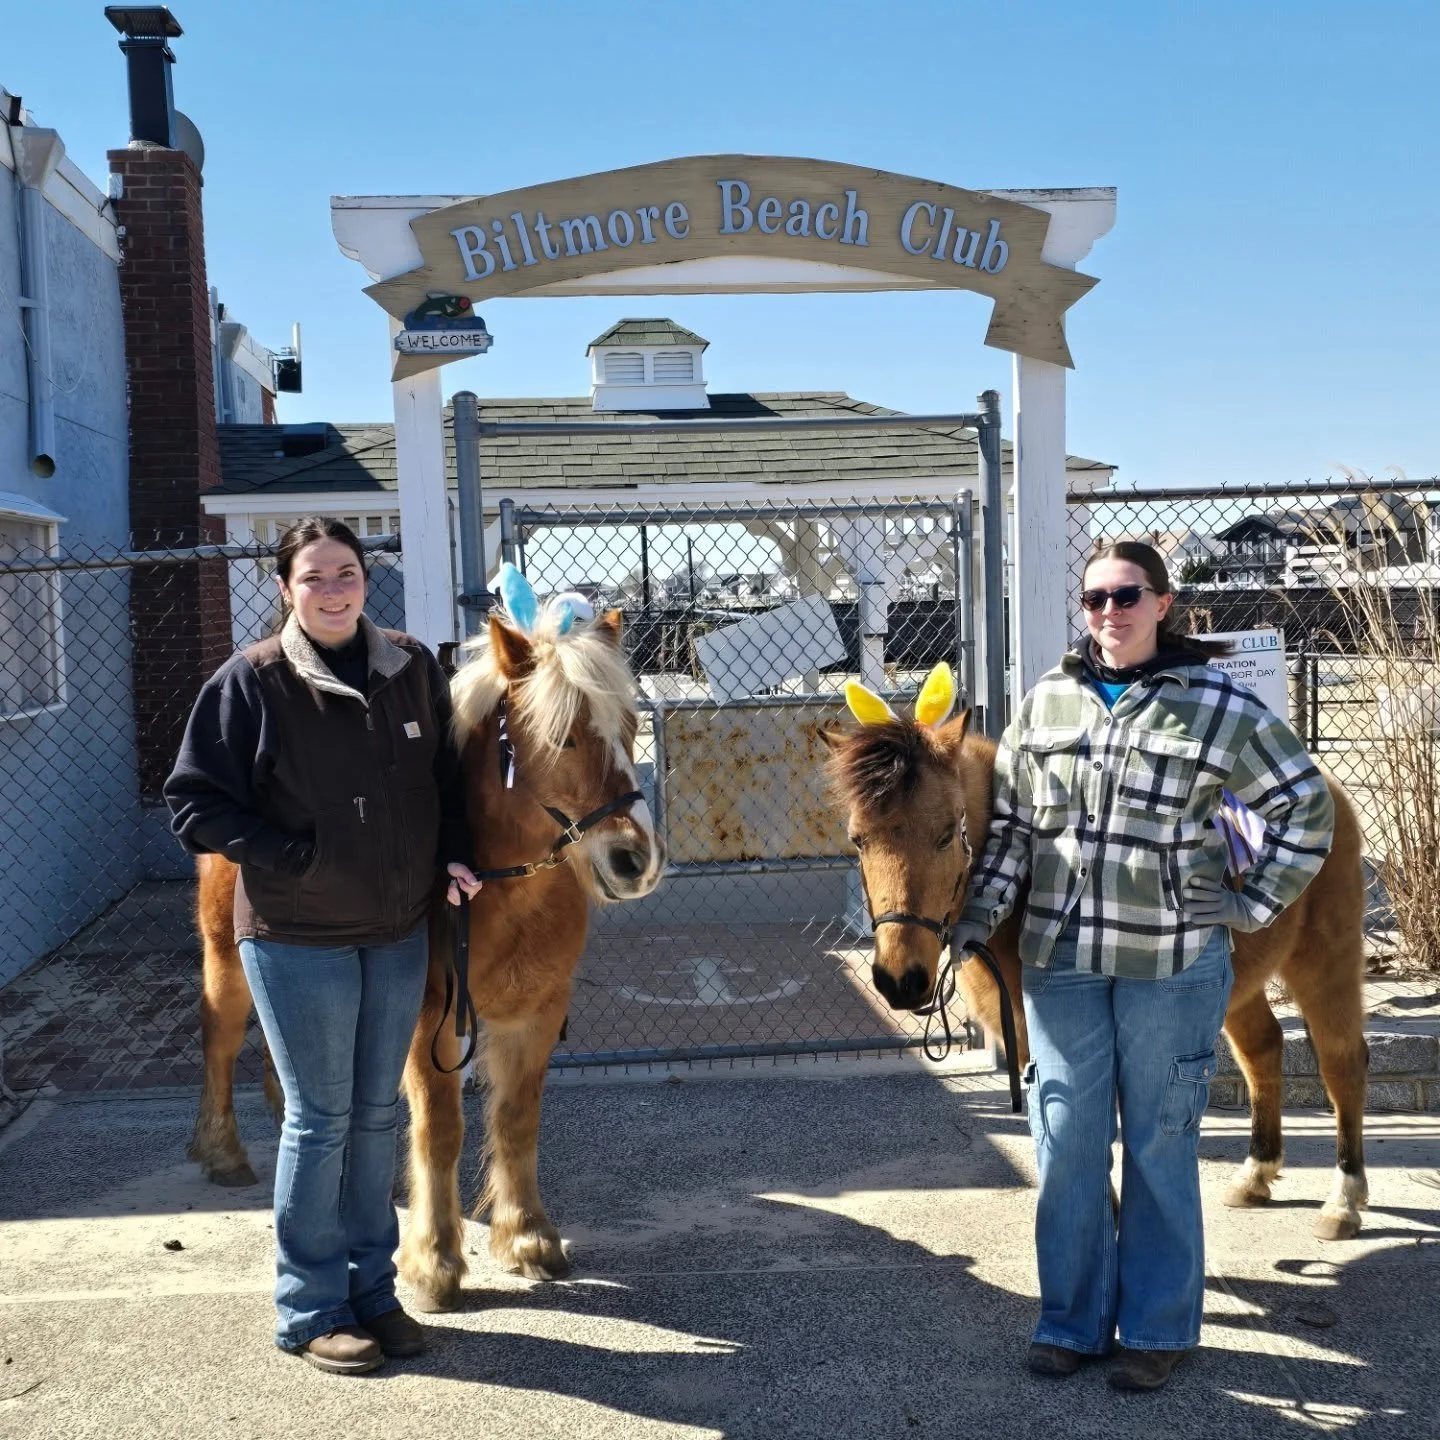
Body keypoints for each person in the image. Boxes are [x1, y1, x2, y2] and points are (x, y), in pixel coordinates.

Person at [952, 541, 1334, 1392]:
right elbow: (1013, 832)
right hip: (1063, 967)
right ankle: (1071, 1323)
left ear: (1163, 603)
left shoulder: (1218, 704)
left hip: (1171, 966)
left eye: (1126, 596)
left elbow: (1303, 803)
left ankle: (1159, 1329)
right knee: (1066, 1146)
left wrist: (1249, 901)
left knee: (1161, 1145)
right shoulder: (1046, 704)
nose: (1109, 613)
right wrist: (974, 920)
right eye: (1094, 599)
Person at [164, 516, 482, 1375]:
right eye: (315, 577)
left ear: (364, 581)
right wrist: (292, 854)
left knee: (380, 1113)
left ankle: (372, 1290)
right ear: (285, 588)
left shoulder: (411, 668)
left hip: (397, 933)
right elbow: (194, 801)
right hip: (297, 937)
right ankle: (310, 1308)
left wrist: (453, 852)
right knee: (320, 1118)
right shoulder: (252, 682)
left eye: (346, 573)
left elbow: (447, 782)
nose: (333, 589)